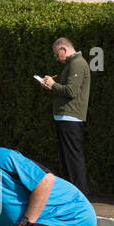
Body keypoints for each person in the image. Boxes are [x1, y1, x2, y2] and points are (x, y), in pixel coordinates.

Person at [40, 37, 91, 194]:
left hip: (70, 117)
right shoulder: (73, 63)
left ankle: (80, 193)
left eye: (57, 54)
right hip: (66, 117)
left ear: (63, 49)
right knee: (68, 158)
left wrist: (53, 84)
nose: (57, 58)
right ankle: (75, 192)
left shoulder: (77, 63)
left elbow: (71, 91)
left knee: (72, 157)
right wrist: (52, 87)